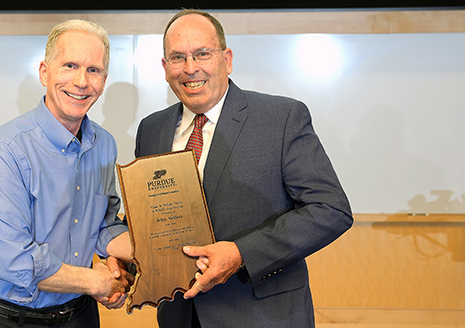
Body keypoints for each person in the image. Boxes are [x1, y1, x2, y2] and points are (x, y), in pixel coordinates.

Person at [133, 9, 354, 327]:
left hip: (261, 315)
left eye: (202, 54)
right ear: (165, 68)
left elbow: (331, 210)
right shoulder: (151, 129)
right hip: (179, 315)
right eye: (178, 58)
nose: (190, 68)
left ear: (227, 59)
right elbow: (149, 221)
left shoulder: (280, 118)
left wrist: (241, 254)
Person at [0, 19, 133, 328]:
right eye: (69, 65)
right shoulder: (7, 148)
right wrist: (94, 282)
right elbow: (12, 259)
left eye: (93, 70)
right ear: (45, 72)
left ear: (104, 81)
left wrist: (136, 257)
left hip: (79, 315)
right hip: (10, 318)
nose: (82, 81)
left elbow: (103, 225)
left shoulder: (104, 144)